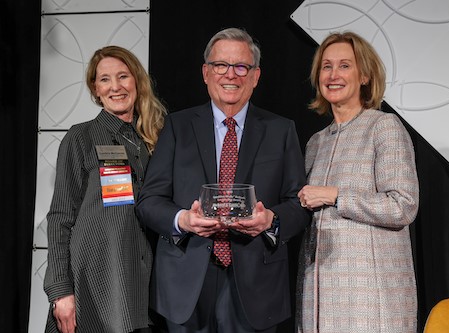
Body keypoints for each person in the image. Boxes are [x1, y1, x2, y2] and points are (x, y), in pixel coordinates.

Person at [136, 27, 311, 333]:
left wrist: (271, 220)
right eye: (221, 65)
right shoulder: (177, 127)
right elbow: (149, 201)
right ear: (206, 72)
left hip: (257, 285)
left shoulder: (281, 130)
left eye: (242, 66)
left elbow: (298, 203)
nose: (231, 74)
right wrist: (183, 220)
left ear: (255, 76)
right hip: (186, 282)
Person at [296, 31, 419, 332]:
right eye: (326, 66)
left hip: (371, 299)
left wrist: (337, 195)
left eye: (344, 66)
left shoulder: (383, 127)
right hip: (317, 297)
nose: (333, 75)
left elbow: (403, 205)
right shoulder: (316, 142)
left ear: (364, 75)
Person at [43, 45, 167, 333]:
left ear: (137, 81)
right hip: (97, 285)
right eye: (104, 80)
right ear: (95, 90)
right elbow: (60, 217)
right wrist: (61, 291)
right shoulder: (81, 137)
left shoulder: (157, 140)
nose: (115, 87)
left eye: (123, 76)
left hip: (150, 286)